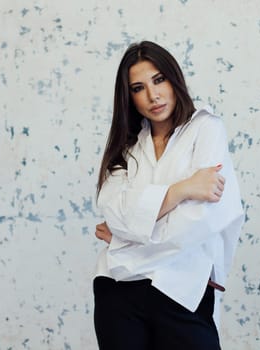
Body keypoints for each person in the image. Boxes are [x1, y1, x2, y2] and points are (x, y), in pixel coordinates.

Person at [93, 41, 244, 350]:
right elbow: (114, 211)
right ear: (129, 97)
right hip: (118, 288)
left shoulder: (206, 128)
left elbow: (201, 219)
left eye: (159, 80)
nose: (153, 95)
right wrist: (181, 190)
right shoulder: (127, 147)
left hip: (182, 288)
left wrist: (124, 239)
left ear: (174, 78)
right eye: (138, 87)